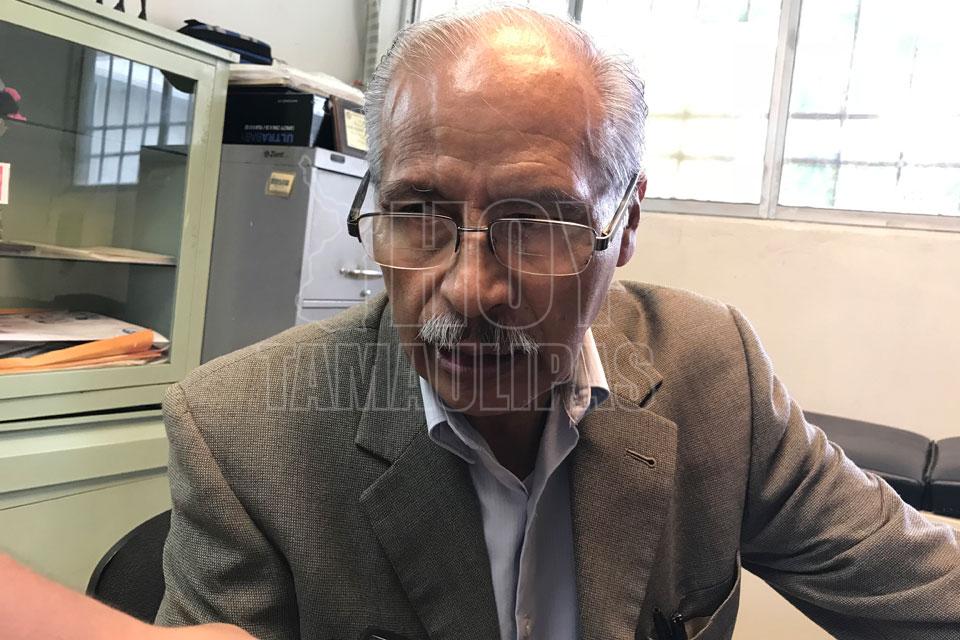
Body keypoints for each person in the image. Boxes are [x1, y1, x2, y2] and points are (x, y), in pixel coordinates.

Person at [152, 7, 960, 640]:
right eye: (418, 213)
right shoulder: (242, 433)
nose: (469, 290)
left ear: (626, 222)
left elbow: (924, 585)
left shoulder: (715, 374)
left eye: (536, 221)